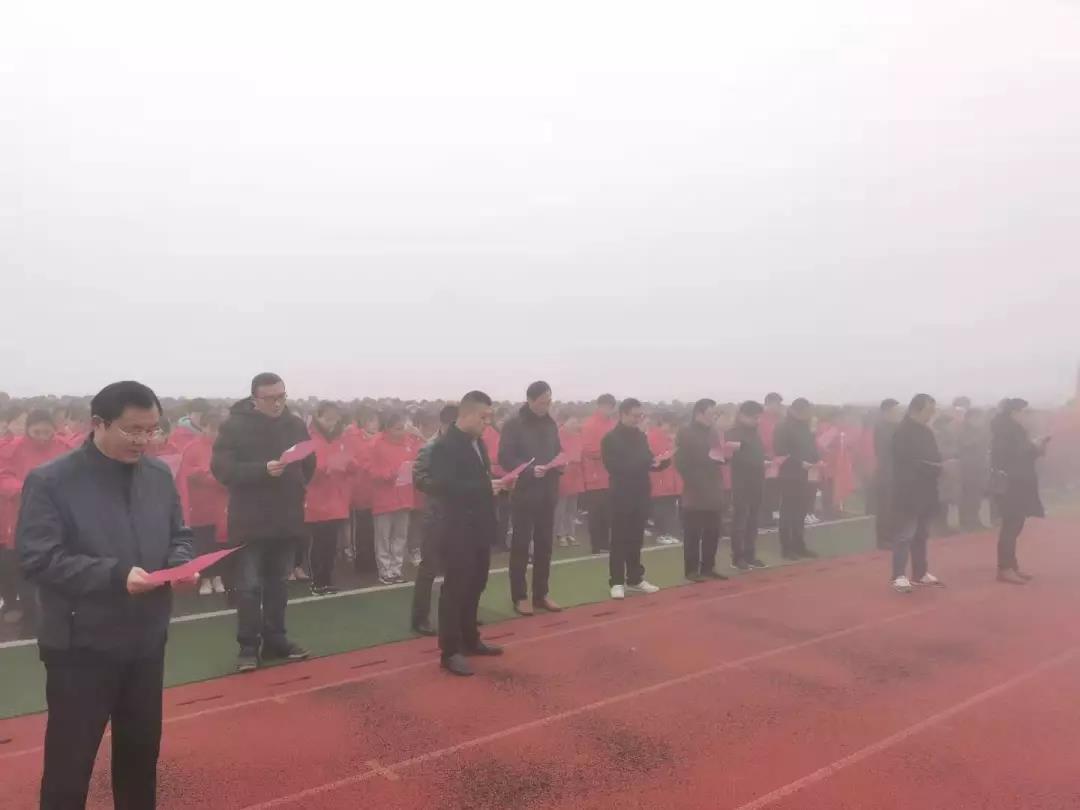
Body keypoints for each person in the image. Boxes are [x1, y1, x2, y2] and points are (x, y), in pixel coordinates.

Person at [16, 381, 196, 809]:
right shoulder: (52, 481)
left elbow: (180, 533)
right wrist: (115, 575)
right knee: (70, 764)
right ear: (98, 423)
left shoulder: (157, 474)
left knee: (140, 756)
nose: (144, 440)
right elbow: (39, 557)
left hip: (145, 640)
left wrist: (181, 562)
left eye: (152, 429)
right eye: (133, 430)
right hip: (81, 645)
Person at [212, 372, 314, 673]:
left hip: (285, 518)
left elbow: (308, 464)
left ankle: (276, 641)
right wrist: (261, 470)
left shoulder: (295, 425)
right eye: (270, 398)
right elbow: (222, 469)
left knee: (278, 585)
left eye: (281, 396)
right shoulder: (234, 426)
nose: (277, 403)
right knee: (248, 587)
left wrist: (295, 488)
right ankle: (248, 647)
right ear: (254, 398)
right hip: (250, 520)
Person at [429, 390, 507, 676]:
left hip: (480, 526)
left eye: (490, 417)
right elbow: (445, 487)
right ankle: (450, 651)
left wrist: (496, 484)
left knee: (476, 584)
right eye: (484, 417)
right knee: (455, 589)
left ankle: (470, 638)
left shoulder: (479, 443)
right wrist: (486, 487)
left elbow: (478, 478)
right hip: (457, 527)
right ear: (468, 414)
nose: (488, 423)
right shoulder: (445, 446)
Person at [0, 410, 72, 636]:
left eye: (46, 432)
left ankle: (59, 617)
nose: (42, 436)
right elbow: (3, 477)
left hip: (57, 518)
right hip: (22, 516)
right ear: (28, 430)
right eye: (37, 432)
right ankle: (30, 619)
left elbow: (76, 475)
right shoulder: (11, 450)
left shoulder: (64, 448)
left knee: (57, 567)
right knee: (25, 572)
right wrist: (28, 488)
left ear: (54, 430)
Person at [499, 381, 563, 616]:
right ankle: (519, 596)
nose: (547, 406)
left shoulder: (551, 424)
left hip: (548, 491)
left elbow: (558, 450)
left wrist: (560, 463)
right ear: (530, 400)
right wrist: (528, 470)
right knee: (521, 546)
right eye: (543, 402)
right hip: (525, 492)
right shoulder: (514, 425)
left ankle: (541, 593)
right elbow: (505, 457)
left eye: (549, 402)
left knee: (544, 545)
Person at [602, 398, 667, 599]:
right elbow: (614, 467)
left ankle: (635, 578)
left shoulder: (640, 436)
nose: (638, 419)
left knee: (636, 538)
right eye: (635, 415)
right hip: (621, 494)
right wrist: (643, 462)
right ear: (623, 414)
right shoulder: (610, 438)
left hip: (641, 492)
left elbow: (647, 459)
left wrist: (660, 463)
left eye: (640, 415)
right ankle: (616, 581)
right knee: (619, 539)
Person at [890, 394, 946, 593]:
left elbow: (934, 456)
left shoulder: (927, 431)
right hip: (908, 490)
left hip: (927, 489)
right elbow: (906, 462)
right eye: (929, 410)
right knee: (905, 534)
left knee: (921, 534)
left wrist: (942, 465)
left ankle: (920, 573)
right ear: (916, 409)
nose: (932, 414)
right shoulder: (902, 432)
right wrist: (933, 467)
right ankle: (898, 575)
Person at [410, 404, 458, 636]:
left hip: (459, 515)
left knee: (457, 567)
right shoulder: (430, 447)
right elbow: (419, 478)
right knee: (429, 567)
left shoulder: (465, 446)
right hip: (436, 514)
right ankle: (420, 618)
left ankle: (455, 613)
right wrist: (443, 485)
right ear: (447, 424)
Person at [990, 398, 1048, 584]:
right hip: (1011, 484)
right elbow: (1009, 456)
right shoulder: (1004, 432)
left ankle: (1011, 566)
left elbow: (1023, 454)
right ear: (1014, 412)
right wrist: (1033, 446)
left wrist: (1036, 448)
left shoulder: (1014, 431)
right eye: (1023, 411)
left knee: (1016, 525)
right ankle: (1005, 568)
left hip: (1019, 483)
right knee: (1010, 526)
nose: (1026, 415)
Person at [176, 410, 230, 597]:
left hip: (221, 506)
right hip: (200, 506)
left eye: (219, 430)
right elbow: (189, 473)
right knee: (204, 543)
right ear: (203, 427)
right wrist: (213, 477)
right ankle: (206, 578)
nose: (215, 434)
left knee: (219, 543)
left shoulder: (226, 448)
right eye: (212, 429)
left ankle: (218, 577)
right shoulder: (192, 448)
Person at [305, 402, 355, 596]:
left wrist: (349, 465)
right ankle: (317, 581)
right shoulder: (309, 439)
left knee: (331, 543)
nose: (332, 422)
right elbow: (305, 469)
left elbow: (352, 461)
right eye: (328, 418)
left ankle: (327, 579)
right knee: (319, 543)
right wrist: (324, 468)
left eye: (335, 418)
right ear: (318, 417)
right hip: (317, 499)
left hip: (336, 499)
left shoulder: (341, 438)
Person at [675, 399, 727, 580]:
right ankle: (691, 570)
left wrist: (725, 456)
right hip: (695, 490)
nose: (714, 417)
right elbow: (680, 462)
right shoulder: (685, 432)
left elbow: (718, 456)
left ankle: (708, 567)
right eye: (711, 413)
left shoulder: (713, 432)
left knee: (712, 532)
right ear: (699, 413)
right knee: (693, 533)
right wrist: (695, 481)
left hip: (714, 487)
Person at [367, 410, 419, 585]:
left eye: (403, 427)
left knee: (400, 536)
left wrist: (412, 468)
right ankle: (385, 570)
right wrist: (389, 474)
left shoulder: (410, 444)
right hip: (384, 498)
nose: (402, 432)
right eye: (398, 428)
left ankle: (396, 569)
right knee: (383, 538)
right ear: (388, 428)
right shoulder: (376, 444)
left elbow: (420, 460)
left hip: (404, 497)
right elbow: (370, 470)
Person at [773, 398, 821, 560]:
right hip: (789, 475)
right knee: (788, 512)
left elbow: (811, 447)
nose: (809, 415)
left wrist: (817, 459)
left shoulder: (805, 426)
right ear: (796, 410)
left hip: (806, 474)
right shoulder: (783, 427)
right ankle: (787, 548)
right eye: (806, 412)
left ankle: (799, 545)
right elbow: (780, 451)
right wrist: (800, 463)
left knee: (801, 511)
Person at [728, 400, 768, 571]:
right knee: (740, 521)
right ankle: (737, 557)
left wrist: (764, 462)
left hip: (757, 481)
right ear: (743, 416)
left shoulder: (755, 433)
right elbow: (735, 457)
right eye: (754, 417)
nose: (757, 421)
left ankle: (750, 554)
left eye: (759, 417)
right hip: (741, 482)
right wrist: (757, 461)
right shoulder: (733, 433)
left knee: (753, 520)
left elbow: (756, 453)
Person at [581, 394, 617, 553]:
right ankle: (596, 545)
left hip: (611, 476)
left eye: (611, 407)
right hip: (594, 476)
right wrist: (609, 453)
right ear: (600, 406)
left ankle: (605, 543)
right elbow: (588, 450)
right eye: (606, 406)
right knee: (596, 513)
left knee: (608, 513)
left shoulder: (613, 424)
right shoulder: (590, 425)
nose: (609, 410)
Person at [647, 411, 682, 546]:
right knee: (661, 506)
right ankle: (661, 533)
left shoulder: (667, 437)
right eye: (671, 425)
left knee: (669, 506)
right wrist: (672, 451)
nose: (672, 428)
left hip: (671, 477)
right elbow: (657, 457)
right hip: (659, 476)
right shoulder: (654, 436)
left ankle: (668, 532)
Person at [873, 399, 902, 549]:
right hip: (886, 472)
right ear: (886, 412)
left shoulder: (897, 427)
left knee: (896, 506)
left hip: (898, 472)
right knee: (885, 507)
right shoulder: (880, 428)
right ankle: (883, 539)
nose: (897, 413)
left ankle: (893, 535)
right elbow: (884, 451)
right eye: (894, 411)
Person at [957, 407, 990, 531]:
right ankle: (967, 521)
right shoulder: (963, 430)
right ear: (969, 418)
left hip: (979, 466)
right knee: (968, 495)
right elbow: (966, 444)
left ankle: (974, 519)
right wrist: (980, 438)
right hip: (968, 467)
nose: (980, 420)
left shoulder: (981, 431)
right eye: (977, 417)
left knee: (976, 495)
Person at [554, 413, 584, 547]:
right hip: (563, 472)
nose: (575, 425)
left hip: (576, 473)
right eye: (572, 422)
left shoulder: (578, 436)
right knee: (561, 506)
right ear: (565, 422)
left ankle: (570, 533)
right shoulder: (558, 435)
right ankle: (560, 534)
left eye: (576, 422)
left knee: (572, 507)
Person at [758, 393, 784, 527]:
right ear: (768, 403)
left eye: (779, 404)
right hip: (765, 459)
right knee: (765, 489)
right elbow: (762, 439)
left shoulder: (779, 420)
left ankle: (771, 515)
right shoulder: (760, 419)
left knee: (774, 488)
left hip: (777, 460)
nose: (778, 407)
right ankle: (763, 517)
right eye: (776, 404)